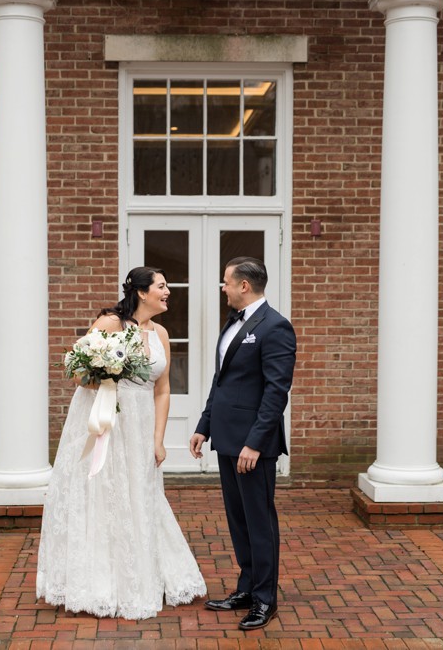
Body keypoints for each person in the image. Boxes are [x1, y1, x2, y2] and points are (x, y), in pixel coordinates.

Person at [36, 267, 207, 619]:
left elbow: (162, 390)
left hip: (140, 426)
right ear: (142, 292)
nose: (167, 292)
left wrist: (158, 440)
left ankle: (142, 574)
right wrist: (103, 374)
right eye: (162, 286)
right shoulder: (110, 323)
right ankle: (101, 583)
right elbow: (79, 374)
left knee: (140, 496)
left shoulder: (161, 333)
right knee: (103, 496)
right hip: (105, 421)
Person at [189, 257, 296, 631]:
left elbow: (276, 392)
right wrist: (204, 425)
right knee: (239, 521)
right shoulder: (233, 323)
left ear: (244, 286)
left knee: (259, 521)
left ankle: (265, 599)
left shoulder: (276, 327)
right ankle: (247, 588)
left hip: (254, 445)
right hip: (226, 438)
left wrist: (255, 442)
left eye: (226, 282)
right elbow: (223, 381)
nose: (223, 288)